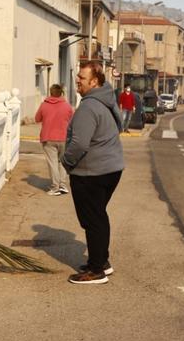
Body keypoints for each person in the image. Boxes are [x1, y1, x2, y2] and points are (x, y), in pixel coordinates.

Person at [62, 62, 125, 285]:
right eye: (77, 76)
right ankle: (101, 262)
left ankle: (96, 270)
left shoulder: (89, 106)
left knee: (92, 219)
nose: (77, 80)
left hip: (92, 173)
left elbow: (79, 144)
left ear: (94, 81)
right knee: (98, 216)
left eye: (81, 77)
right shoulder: (106, 101)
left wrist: (66, 161)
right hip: (110, 169)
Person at [34, 83, 74, 196]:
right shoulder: (67, 106)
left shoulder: (44, 105)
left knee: (52, 163)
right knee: (62, 162)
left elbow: (37, 119)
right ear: (61, 93)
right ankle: (62, 185)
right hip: (64, 138)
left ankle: (55, 187)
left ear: (50, 92)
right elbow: (73, 120)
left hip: (48, 137)